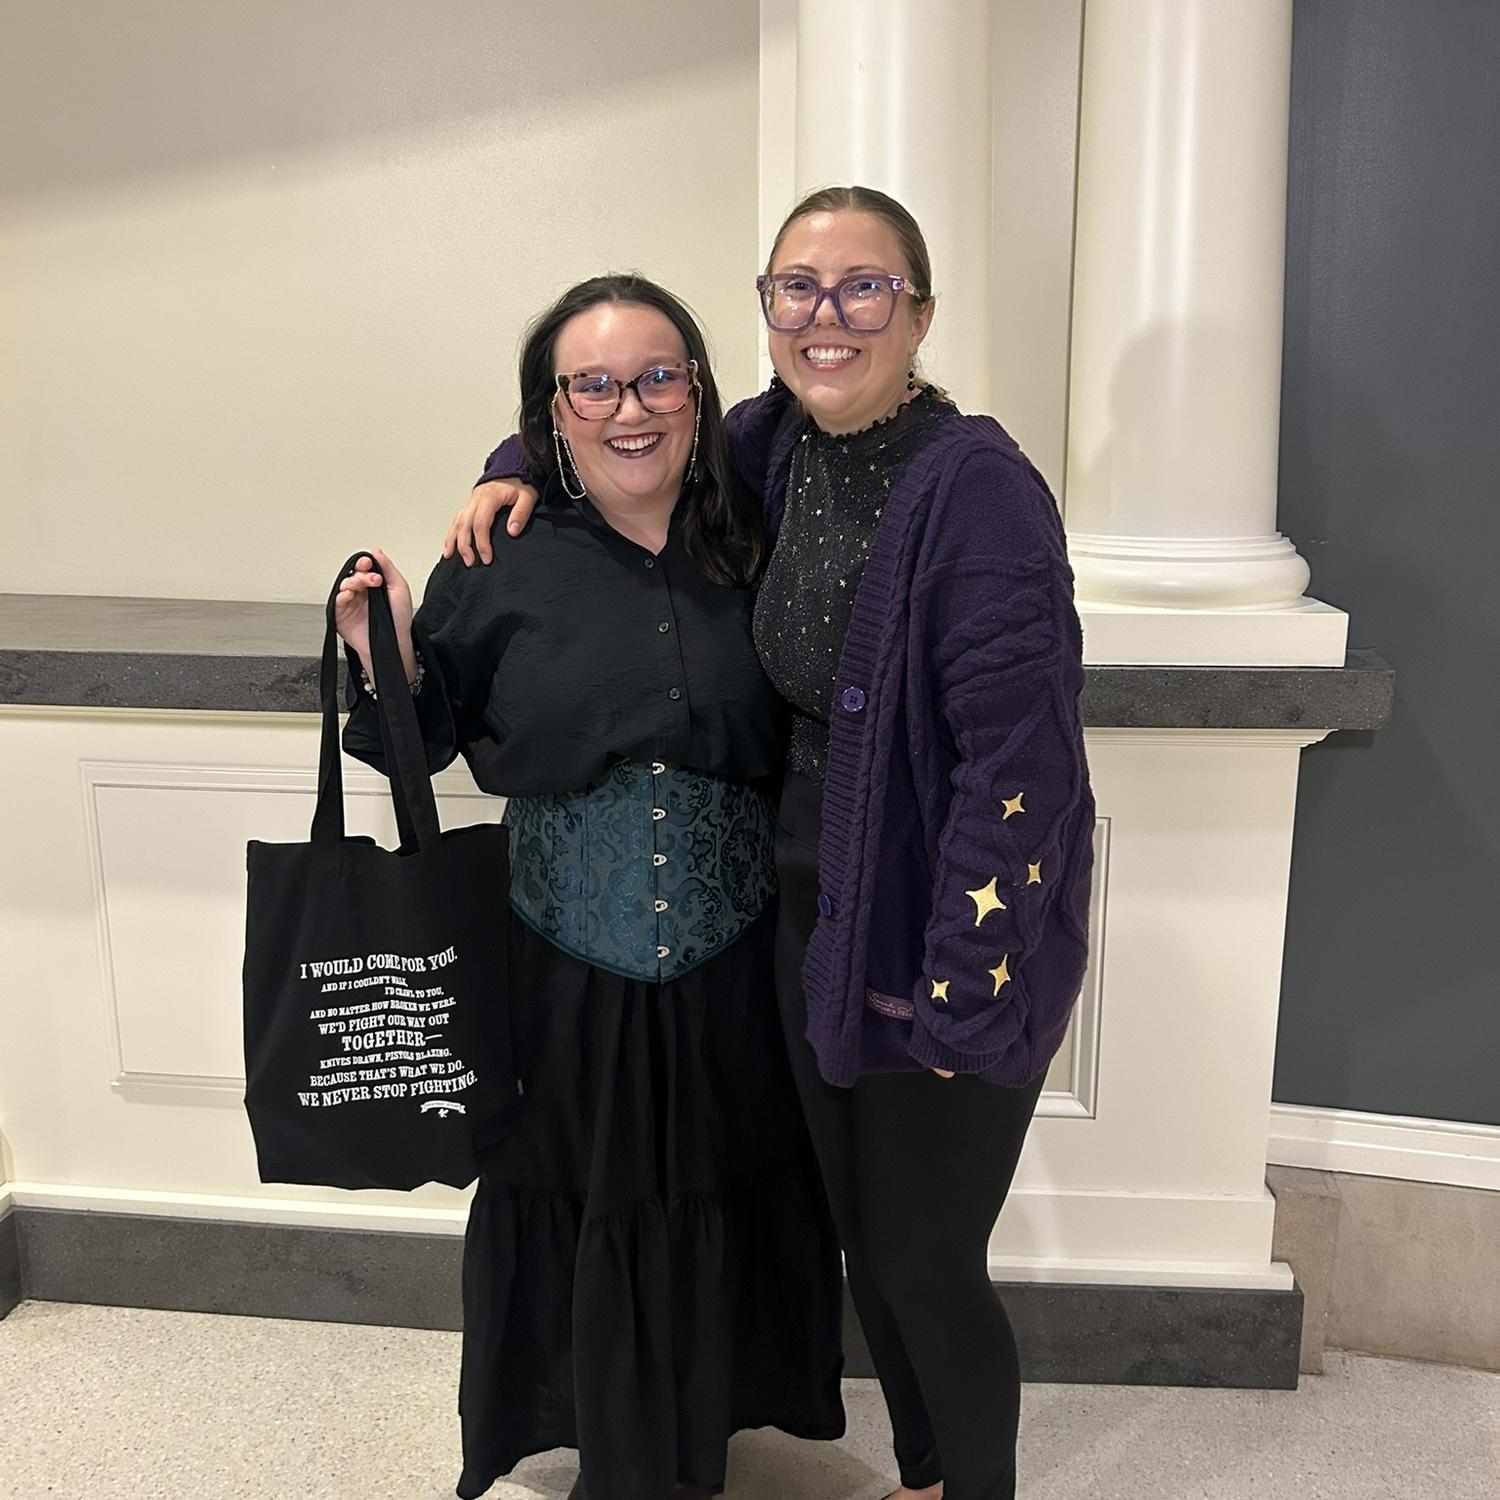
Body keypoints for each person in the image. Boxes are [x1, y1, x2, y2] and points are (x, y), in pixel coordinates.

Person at [448, 187, 1096, 1500]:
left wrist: (971, 992)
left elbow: (1019, 771)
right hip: (816, 916)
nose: (827, 314)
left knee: (923, 1259)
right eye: (798, 288)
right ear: (765, 313)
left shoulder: (976, 490)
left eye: (863, 286)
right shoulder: (778, 443)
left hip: (944, 923)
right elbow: (627, 421)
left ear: (918, 313)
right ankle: (923, 1477)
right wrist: (509, 470)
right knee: (866, 1234)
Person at [336, 274, 845, 1500]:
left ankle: (699, 1430)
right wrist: (387, 650)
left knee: (721, 1186)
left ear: (700, 392)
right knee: (581, 1192)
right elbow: (434, 731)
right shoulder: (499, 553)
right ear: (552, 410)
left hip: (737, 966)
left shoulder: (758, 536)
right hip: (561, 968)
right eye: (595, 384)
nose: (631, 407)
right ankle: (611, 1450)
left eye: (659, 376)